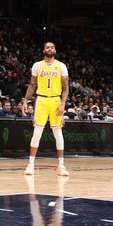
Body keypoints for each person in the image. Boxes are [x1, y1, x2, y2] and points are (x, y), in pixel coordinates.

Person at [23, 42, 70, 176]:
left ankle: (61, 165)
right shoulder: (37, 65)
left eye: (52, 47)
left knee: (58, 133)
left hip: (55, 100)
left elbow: (66, 88)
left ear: (55, 50)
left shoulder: (61, 66)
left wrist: (62, 104)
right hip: (41, 100)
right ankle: (30, 164)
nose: (49, 49)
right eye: (47, 47)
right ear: (44, 50)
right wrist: (26, 100)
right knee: (37, 132)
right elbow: (32, 85)